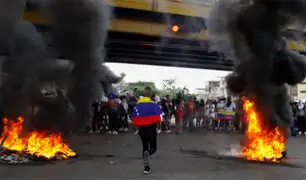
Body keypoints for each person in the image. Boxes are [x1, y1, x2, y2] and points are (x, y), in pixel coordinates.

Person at [131, 87, 162, 174]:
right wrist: (159, 127)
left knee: (144, 147)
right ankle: (149, 153)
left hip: (142, 129)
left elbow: (134, 117)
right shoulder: (154, 104)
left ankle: (146, 168)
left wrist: (137, 128)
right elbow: (159, 118)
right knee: (154, 148)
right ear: (151, 95)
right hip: (152, 128)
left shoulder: (138, 105)